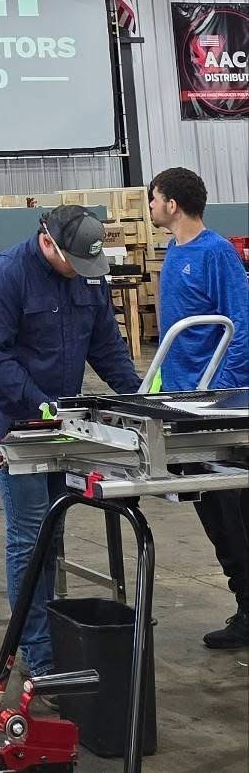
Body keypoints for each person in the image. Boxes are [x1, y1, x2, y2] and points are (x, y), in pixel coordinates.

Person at [0, 205, 141, 678]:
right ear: (48, 243)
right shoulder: (6, 276)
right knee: (29, 538)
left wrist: (139, 400)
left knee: (53, 533)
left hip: (63, 425)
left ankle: (49, 636)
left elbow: (106, 345)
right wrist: (45, 407)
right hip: (19, 427)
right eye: (74, 263)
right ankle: (39, 655)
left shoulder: (87, 276)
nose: (81, 273)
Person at [148, 165, 249, 650]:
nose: (150, 208)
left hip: (214, 402)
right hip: (182, 401)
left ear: (171, 204)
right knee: (212, 509)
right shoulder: (175, 249)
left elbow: (242, 326)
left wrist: (220, 390)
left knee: (232, 506)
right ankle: (245, 601)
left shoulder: (216, 253)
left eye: (153, 199)